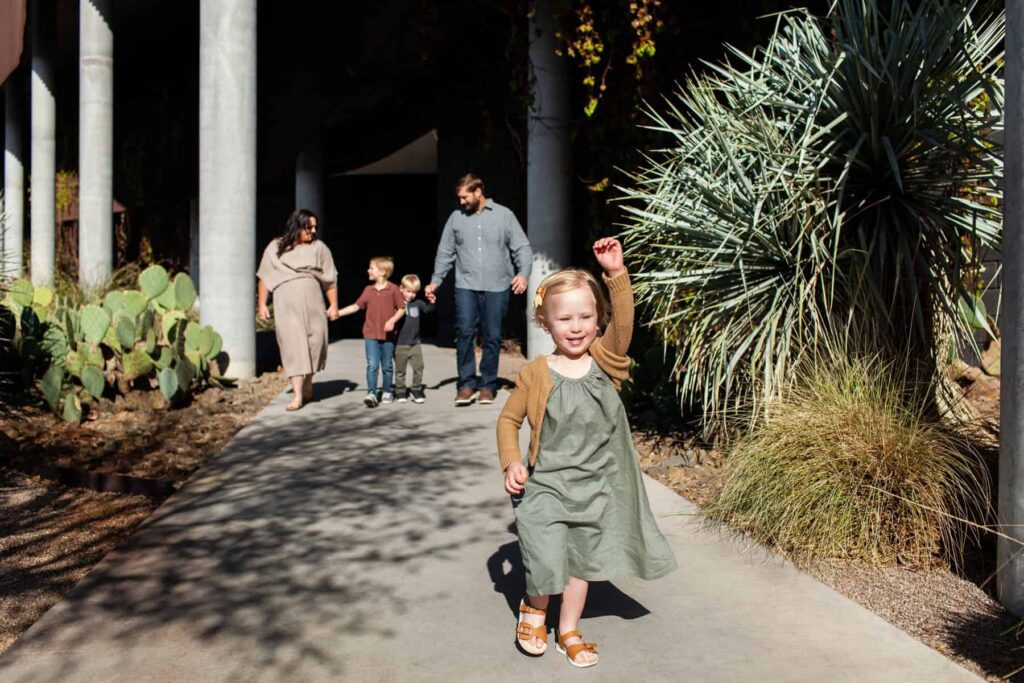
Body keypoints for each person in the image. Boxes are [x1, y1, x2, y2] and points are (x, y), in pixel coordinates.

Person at [496, 237, 677, 668]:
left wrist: (616, 276)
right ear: (545, 324)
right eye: (564, 319)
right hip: (545, 485)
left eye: (585, 316)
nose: (576, 327)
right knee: (544, 558)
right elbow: (508, 422)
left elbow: (625, 325)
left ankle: (569, 629)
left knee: (580, 562)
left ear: (597, 321)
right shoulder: (535, 373)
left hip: (593, 485)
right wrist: (512, 461)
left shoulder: (605, 363)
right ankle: (535, 609)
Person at [424, 173, 531, 407]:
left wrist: (523, 273)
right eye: (459, 198)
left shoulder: (504, 216)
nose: (461, 202)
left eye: (464, 197)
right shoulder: (456, 219)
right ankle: (466, 384)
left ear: (478, 192)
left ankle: (487, 385)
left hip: (497, 285)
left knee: (492, 336)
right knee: (464, 332)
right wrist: (435, 281)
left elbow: (521, 247)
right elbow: (445, 253)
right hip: (466, 285)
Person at [257, 209, 338, 412]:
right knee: (292, 344)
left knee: (315, 341)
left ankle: (308, 381)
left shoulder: (319, 248)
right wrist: (261, 305)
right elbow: (264, 277)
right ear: (297, 225)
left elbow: (330, 280)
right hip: (286, 302)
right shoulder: (275, 247)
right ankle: (297, 394)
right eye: (308, 227)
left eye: (314, 227)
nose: (312, 231)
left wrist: (334, 305)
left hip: (313, 301)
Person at [336, 256, 405, 408]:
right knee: (372, 364)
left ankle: (387, 390)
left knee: (387, 365)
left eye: (371, 268)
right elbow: (356, 306)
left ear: (382, 272)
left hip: (388, 336)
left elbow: (401, 308)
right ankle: (372, 392)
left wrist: (392, 320)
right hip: (370, 334)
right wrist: (338, 313)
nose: (368, 270)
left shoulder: (393, 289)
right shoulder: (368, 290)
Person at [394, 274, 435, 404]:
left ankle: (416, 389)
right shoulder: (397, 304)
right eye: (408, 291)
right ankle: (400, 391)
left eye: (414, 292)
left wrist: (432, 302)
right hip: (400, 343)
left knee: (419, 367)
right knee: (400, 370)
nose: (411, 295)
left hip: (415, 343)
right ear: (401, 288)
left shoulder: (418, 303)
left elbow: (428, 310)